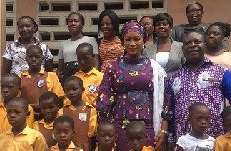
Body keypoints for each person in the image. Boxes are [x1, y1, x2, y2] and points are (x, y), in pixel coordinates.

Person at [166, 32, 231, 151]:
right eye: (188, 43)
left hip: (217, 141)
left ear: (204, 46)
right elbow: (171, 110)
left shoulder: (220, 71)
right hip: (184, 142)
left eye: (197, 42)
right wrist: (170, 137)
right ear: (183, 49)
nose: (193, 45)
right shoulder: (175, 78)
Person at [97, 20, 171, 151]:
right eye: (128, 39)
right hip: (119, 125)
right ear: (122, 41)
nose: (132, 43)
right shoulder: (113, 67)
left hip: (147, 126)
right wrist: (105, 127)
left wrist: (163, 130)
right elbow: (105, 98)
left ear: (144, 40)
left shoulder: (154, 67)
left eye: (136, 39)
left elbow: (165, 98)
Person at [0, 73, 35, 151]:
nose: (5, 90)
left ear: (19, 88)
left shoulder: (26, 109)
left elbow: (28, 134)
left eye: (10, 87)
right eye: (3, 87)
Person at [20, 45, 64, 119]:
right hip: (27, 118)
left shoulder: (51, 76)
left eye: (37, 57)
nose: (34, 59)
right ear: (26, 59)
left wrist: (32, 106)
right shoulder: (19, 78)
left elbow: (58, 99)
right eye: (30, 57)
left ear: (42, 59)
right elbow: (17, 102)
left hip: (48, 118)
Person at [57, 12, 99, 83]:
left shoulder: (90, 40)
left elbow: (95, 64)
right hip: (68, 80)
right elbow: (60, 69)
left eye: (76, 21)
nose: (73, 23)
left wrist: (92, 80)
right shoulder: (63, 44)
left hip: (86, 78)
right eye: (70, 21)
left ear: (82, 24)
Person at [59, 76, 97, 151]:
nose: (71, 93)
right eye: (68, 90)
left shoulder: (91, 110)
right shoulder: (62, 111)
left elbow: (92, 136)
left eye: (74, 89)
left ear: (82, 90)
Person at [143, 13, 185, 78]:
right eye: (158, 24)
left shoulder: (181, 47)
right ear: (155, 29)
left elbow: (187, 68)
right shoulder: (147, 50)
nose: (161, 26)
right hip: (155, 86)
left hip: (176, 86)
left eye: (165, 24)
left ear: (171, 27)